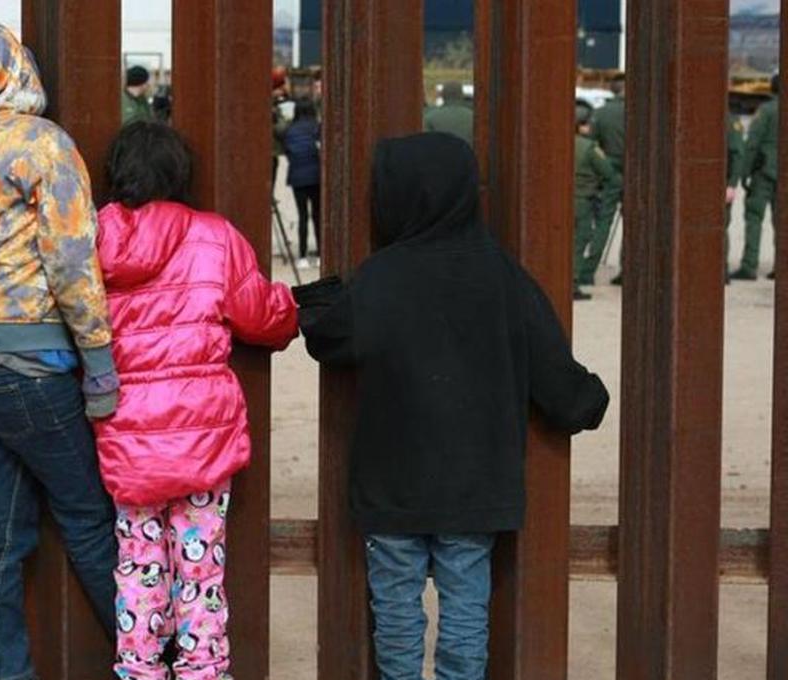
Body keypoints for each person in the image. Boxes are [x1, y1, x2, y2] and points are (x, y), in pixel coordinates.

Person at [295, 133, 609, 680]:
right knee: (466, 610)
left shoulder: (384, 274)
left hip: (393, 482)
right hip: (476, 482)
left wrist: (322, 295)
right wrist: (584, 401)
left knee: (395, 610)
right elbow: (551, 367)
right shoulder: (501, 273)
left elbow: (331, 338)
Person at [0, 15, 120, 680]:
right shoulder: (43, 145)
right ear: (9, 62)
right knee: (91, 518)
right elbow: (72, 262)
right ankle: (156, 660)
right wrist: (100, 366)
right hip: (31, 360)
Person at [93, 121, 299, 680]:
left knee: (137, 561)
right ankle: (204, 669)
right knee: (201, 565)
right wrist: (291, 310)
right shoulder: (214, 235)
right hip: (203, 433)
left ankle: (138, 669)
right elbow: (259, 315)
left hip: (126, 430)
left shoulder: (92, 239)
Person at [735, 73, 779, 281]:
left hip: (765, 172)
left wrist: (743, 173)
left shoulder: (767, 111)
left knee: (754, 218)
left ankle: (749, 265)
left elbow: (752, 144)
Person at [573, 102, 620, 296]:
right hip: (583, 200)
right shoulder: (588, 148)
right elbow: (609, 174)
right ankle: (574, 280)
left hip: (565, 200)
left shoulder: (557, 143)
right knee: (580, 239)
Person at [590, 73, 626, 285]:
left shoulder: (601, 113)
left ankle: (588, 270)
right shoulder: (641, 111)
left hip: (609, 171)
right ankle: (628, 270)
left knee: (604, 220)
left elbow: (592, 145)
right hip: (635, 171)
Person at [280, 98, 322, 269]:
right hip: (316, 176)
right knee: (318, 215)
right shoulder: (317, 127)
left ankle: (302, 256)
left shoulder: (290, 130)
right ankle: (320, 254)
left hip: (297, 178)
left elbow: (288, 152)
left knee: (302, 216)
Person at [725, 110, 746, 283]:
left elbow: (738, 154)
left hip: (721, 185)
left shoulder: (730, 121)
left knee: (719, 228)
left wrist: (732, 184)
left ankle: (720, 270)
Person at [423, 82, 474, 146]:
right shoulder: (473, 117)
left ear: (442, 95)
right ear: (461, 95)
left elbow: (426, 144)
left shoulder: (430, 117)